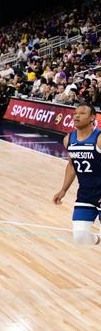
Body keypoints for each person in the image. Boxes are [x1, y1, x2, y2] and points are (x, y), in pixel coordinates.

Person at [53, 103, 101, 246]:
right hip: (85, 193)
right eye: (75, 113)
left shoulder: (99, 138)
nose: (77, 116)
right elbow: (72, 165)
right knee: (80, 238)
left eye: (82, 113)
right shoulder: (69, 139)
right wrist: (63, 189)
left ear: (93, 117)